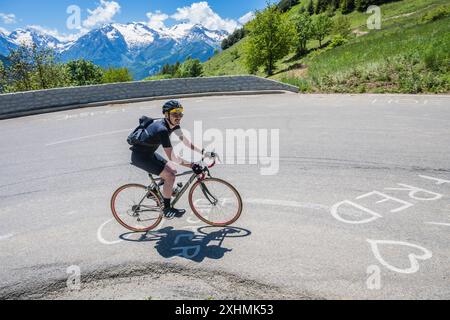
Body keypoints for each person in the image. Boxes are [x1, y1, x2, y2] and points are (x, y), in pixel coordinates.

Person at [130, 100, 206, 218]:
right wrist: (192, 165)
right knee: (169, 176)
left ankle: (155, 192)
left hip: (149, 153)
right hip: (140, 157)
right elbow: (172, 157)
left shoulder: (174, 125)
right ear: (166, 115)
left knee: (173, 170)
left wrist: (203, 152)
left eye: (180, 113)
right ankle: (167, 208)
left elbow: (186, 142)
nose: (179, 117)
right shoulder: (162, 130)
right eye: (175, 114)